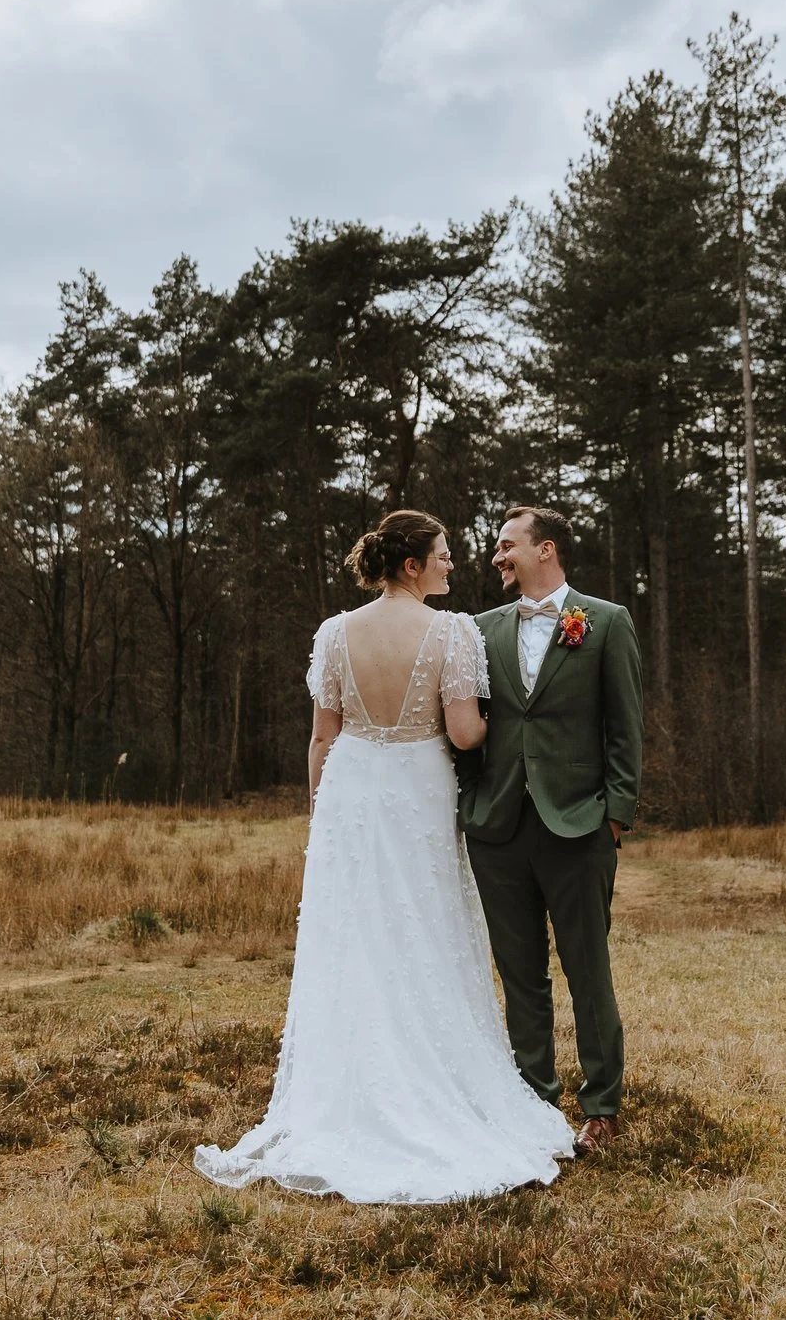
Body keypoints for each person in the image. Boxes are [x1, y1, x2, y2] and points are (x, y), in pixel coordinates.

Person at [194, 509, 576, 1204]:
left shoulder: (334, 633)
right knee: (421, 927)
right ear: (412, 565)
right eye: (444, 553)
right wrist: (510, 722)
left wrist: (323, 813)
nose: (452, 563)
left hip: (349, 789)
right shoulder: (452, 632)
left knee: (354, 935)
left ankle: (349, 1088)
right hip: (418, 788)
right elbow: (464, 732)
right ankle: (425, 1083)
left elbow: (322, 737)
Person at [462, 505, 641, 1154]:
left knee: (588, 969)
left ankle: (602, 1107)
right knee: (520, 974)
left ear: (546, 549)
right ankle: (534, 1101)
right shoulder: (479, 629)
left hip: (580, 825)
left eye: (507, 544)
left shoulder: (605, 622)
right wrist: (471, 803)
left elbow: (625, 727)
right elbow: (466, 724)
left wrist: (614, 816)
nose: (496, 556)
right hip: (498, 827)